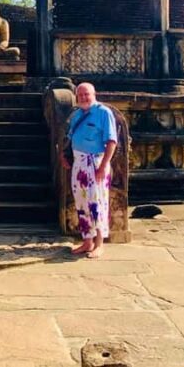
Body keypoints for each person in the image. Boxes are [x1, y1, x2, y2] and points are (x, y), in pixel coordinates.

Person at [60, 83, 118, 259]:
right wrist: (64, 155)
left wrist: (102, 167)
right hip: (79, 163)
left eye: (87, 94)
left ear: (94, 94)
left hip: (96, 162)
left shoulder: (103, 113)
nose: (83, 98)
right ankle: (87, 241)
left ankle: (99, 243)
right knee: (81, 202)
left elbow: (111, 142)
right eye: (80, 95)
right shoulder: (77, 114)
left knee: (97, 203)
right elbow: (69, 139)